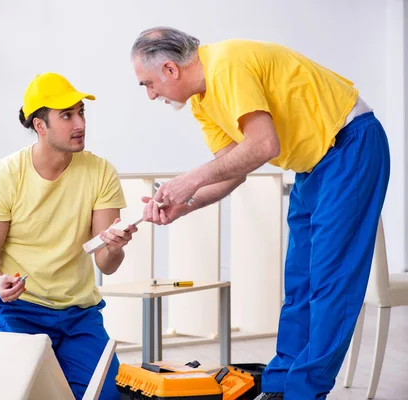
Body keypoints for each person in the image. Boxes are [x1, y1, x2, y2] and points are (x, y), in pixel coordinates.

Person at [129, 27, 390, 400]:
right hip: (312, 164)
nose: (151, 94)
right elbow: (233, 170)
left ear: (170, 69)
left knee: (332, 281)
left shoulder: (226, 65)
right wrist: (183, 205)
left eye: (148, 84)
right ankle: (281, 386)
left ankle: (303, 392)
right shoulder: (203, 104)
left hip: (349, 144)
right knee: (299, 281)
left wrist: (190, 179)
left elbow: (264, 145)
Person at [0, 72, 136, 400]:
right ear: (40, 125)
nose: (80, 123)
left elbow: (108, 261)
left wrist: (115, 247)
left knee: (106, 396)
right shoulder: (4, 175)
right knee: (22, 393)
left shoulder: (101, 172)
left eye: (81, 113)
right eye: (67, 115)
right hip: (17, 310)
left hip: (79, 315)